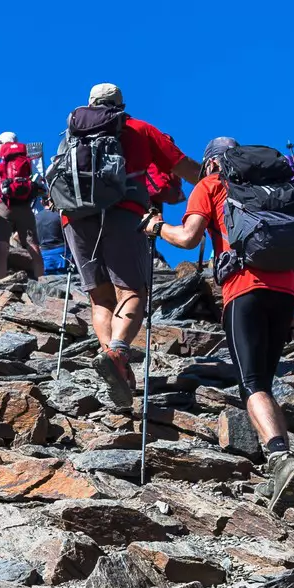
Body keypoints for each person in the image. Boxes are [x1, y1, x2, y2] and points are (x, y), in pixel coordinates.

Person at [145, 137, 294, 456]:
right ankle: (281, 458)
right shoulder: (279, 190)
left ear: (210, 162)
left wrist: (156, 227)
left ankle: (279, 455)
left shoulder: (210, 184)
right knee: (263, 380)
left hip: (243, 291)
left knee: (252, 383)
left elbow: (187, 238)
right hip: (286, 294)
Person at [56, 83, 199, 397]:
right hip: (124, 212)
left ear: (90, 104)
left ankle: (113, 365)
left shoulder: (71, 134)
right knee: (132, 290)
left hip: (74, 218)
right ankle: (118, 351)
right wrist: (215, 184)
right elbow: (183, 167)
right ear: (120, 105)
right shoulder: (138, 129)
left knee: (100, 297)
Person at [0, 131, 43, 278]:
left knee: (2, 245)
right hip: (24, 205)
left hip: (2, 205)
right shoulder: (26, 158)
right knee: (32, 244)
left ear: (1, 144)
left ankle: (1, 280)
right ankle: (42, 280)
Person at [35, 202, 69, 274]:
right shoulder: (60, 215)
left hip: (45, 254)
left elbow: (18, 236)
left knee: (48, 282)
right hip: (62, 253)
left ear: (41, 202)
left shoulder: (35, 217)